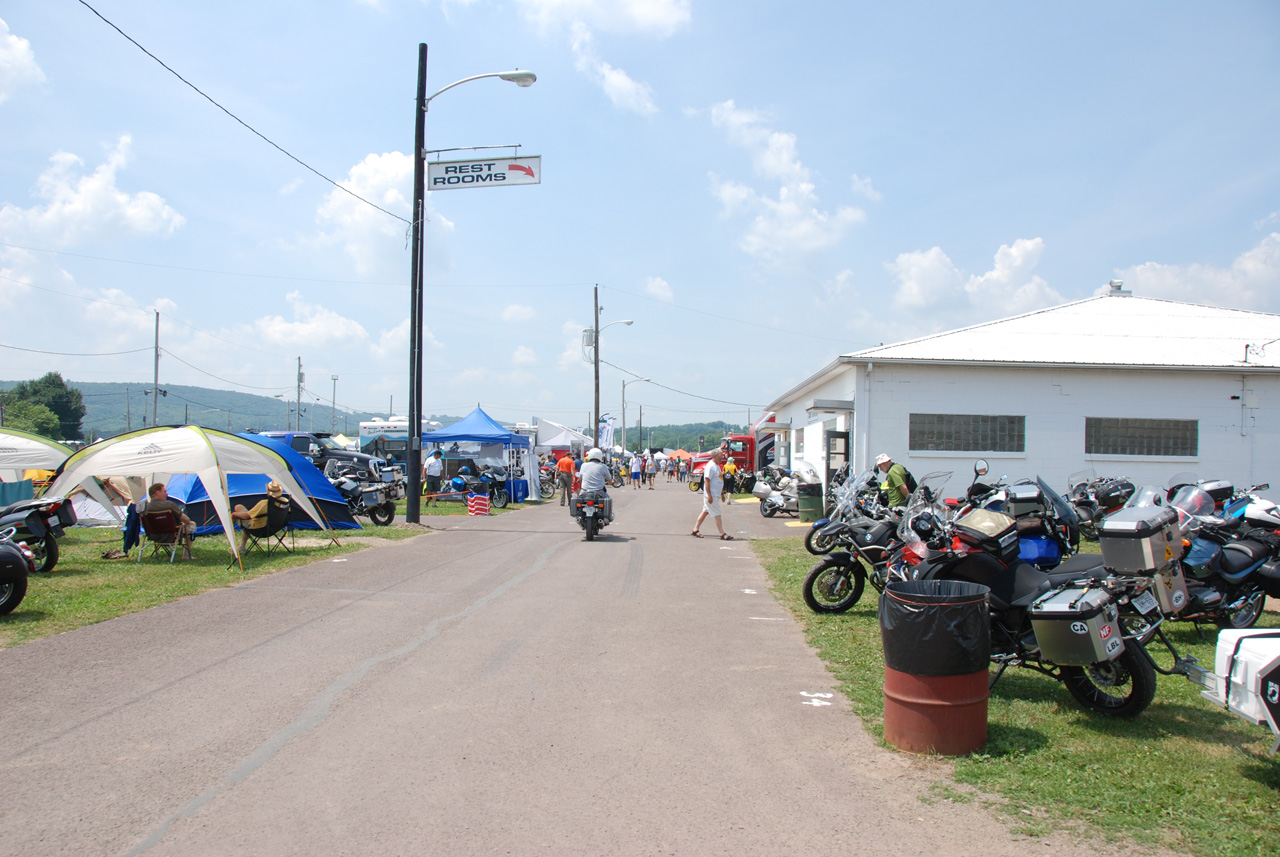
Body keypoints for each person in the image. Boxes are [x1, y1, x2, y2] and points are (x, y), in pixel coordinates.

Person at [143, 482, 196, 559]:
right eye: (164, 491)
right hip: (171, 534)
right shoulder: (169, 505)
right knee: (191, 525)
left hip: (153, 535)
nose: (167, 494)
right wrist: (188, 522)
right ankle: (186, 555)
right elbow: (185, 519)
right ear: (157, 492)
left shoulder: (145, 508)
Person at [230, 480, 284, 552]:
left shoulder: (264, 503)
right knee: (238, 507)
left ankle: (240, 546)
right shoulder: (284, 502)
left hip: (259, 528)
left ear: (268, 492)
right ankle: (241, 546)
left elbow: (246, 516)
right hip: (275, 527)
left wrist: (234, 514)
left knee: (237, 517)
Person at [691, 449, 732, 540]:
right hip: (711, 495)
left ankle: (695, 529)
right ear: (715, 456)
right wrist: (709, 495)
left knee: (705, 511)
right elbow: (707, 481)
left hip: (715, 494)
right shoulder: (710, 466)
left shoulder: (716, 466)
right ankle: (722, 533)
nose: (722, 457)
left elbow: (718, 479)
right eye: (721, 455)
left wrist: (721, 493)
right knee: (717, 513)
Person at [578, 447, 613, 521]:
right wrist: (611, 482)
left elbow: (580, 478)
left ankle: (579, 517)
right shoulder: (603, 466)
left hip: (585, 491)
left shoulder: (584, 465)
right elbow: (610, 480)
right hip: (599, 492)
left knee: (578, 500)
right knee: (608, 499)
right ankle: (608, 517)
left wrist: (578, 480)